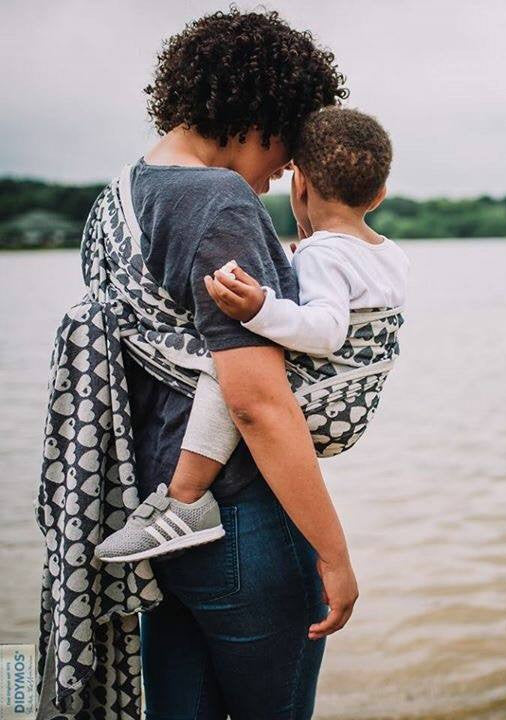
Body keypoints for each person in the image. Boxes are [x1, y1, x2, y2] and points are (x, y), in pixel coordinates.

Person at [117, 10, 356, 719]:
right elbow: (254, 401)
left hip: (161, 516)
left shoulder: (125, 193)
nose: (288, 166)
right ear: (258, 110)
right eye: (287, 139)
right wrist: (334, 554)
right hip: (245, 520)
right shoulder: (215, 199)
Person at [96, 107, 409, 564]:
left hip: (316, 398)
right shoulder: (389, 253)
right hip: (349, 409)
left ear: (299, 184)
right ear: (379, 196)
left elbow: (325, 333)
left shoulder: (324, 253)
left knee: (221, 365)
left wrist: (261, 309)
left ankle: (186, 499)